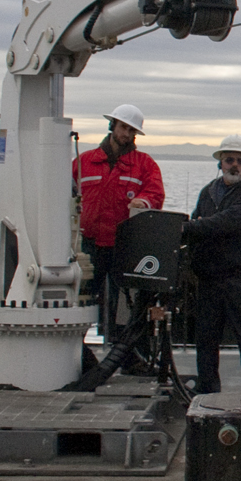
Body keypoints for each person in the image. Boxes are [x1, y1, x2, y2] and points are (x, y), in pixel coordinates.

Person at [183, 134, 241, 393]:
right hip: (209, 279)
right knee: (205, 340)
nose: (234, 165)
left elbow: (227, 222)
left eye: (240, 161)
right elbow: (198, 224)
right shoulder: (207, 192)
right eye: (229, 159)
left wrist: (188, 228)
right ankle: (207, 392)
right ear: (220, 162)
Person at [74, 103, 164, 340]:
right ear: (112, 125)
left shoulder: (145, 164)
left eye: (131, 131)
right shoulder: (84, 161)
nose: (126, 134)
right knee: (82, 298)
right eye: (123, 127)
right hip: (89, 246)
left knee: (123, 304)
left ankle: (121, 351)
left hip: (123, 247)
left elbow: (155, 193)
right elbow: (62, 194)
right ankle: (77, 348)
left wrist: (143, 201)